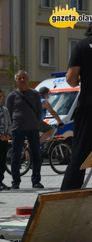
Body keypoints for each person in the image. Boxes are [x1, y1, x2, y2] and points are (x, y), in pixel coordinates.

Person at [61, 23, 92, 191]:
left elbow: (71, 78)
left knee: (78, 158)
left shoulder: (81, 46)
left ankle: (65, 203)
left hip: (89, 108)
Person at [6, 70, 44, 189]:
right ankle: (15, 182)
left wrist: (36, 123)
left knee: (36, 155)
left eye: (24, 78)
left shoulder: (35, 94)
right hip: (17, 129)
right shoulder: (11, 96)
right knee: (16, 156)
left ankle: (36, 181)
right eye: (19, 78)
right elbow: (8, 113)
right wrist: (10, 128)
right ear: (16, 81)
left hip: (33, 129)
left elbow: (39, 111)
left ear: (27, 79)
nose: (22, 80)